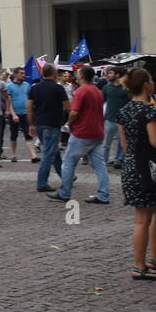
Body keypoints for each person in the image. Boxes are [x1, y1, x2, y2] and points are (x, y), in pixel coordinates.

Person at [116, 67, 156, 280]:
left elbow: (124, 147)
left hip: (132, 166)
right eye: (150, 79)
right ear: (146, 84)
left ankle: (155, 257)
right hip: (148, 168)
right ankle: (139, 266)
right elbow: (155, 142)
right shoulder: (149, 112)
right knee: (142, 219)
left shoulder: (123, 112)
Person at [49, 65, 111, 206]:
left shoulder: (81, 91)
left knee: (68, 163)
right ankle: (103, 194)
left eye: (78, 73)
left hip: (83, 132)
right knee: (100, 165)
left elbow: (74, 112)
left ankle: (64, 192)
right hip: (98, 132)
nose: (75, 75)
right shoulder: (97, 91)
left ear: (82, 76)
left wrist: (69, 123)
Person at [27, 64, 68, 192]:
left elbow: (29, 107)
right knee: (48, 154)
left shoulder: (35, 88)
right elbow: (68, 106)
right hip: (52, 124)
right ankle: (41, 183)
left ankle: (66, 177)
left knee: (54, 152)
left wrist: (31, 124)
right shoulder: (58, 88)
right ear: (54, 73)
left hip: (39, 123)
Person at [3, 68, 37, 163]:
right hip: (15, 114)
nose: (24, 75)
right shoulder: (9, 86)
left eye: (24, 73)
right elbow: (8, 102)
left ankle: (33, 155)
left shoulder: (27, 85)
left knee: (28, 133)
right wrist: (13, 114)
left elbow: (30, 99)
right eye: (21, 73)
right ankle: (13, 155)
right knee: (13, 135)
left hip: (25, 113)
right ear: (15, 74)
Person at [101, 66, 129, 168]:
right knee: (105, 144)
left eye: (110, 73)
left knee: (122, 143)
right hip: (109, 119)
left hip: (123, 120)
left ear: (117, 75)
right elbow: (101, 102)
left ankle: (119, 160)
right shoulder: (106, 87)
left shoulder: (126, 88)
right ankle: (103, 162)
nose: (108, 75)